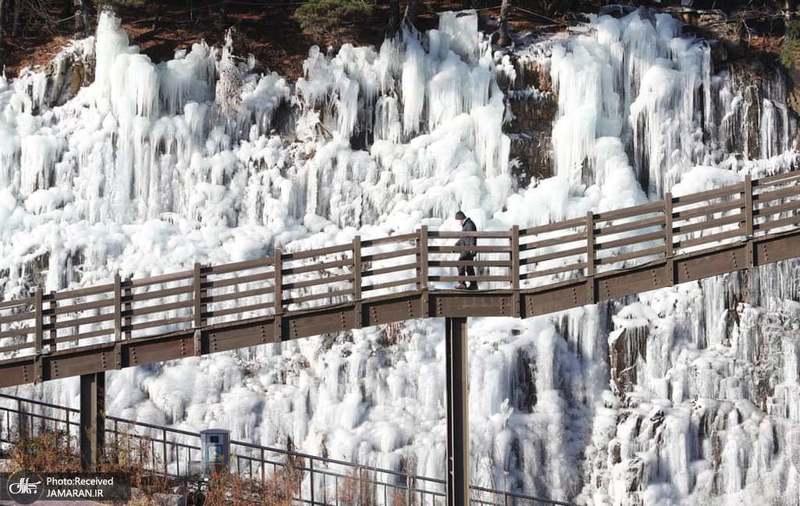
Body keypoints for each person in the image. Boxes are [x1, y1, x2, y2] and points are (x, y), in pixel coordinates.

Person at [454, 211, 478, 290]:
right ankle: (473, 285)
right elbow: (463, 239)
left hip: (467, 249)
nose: (458, 223)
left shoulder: (469, 225)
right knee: (469, 266)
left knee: (460, 263)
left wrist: (472, 248)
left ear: (461, 219)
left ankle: (462, 284)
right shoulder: (467, 225)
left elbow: (472, 237)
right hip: (467, 249)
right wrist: (455, 246)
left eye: (458, 220)